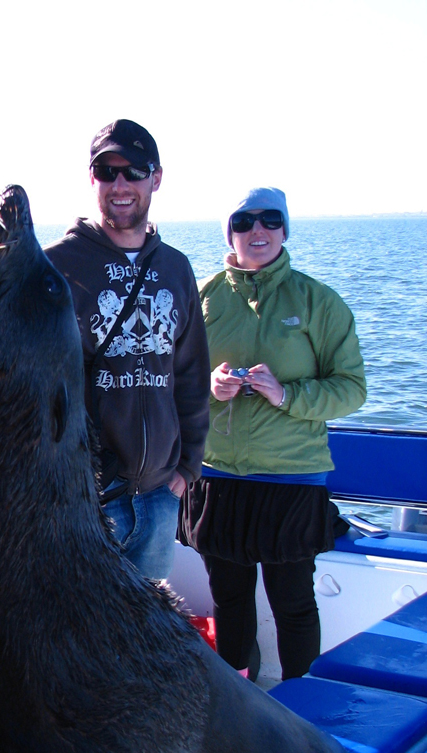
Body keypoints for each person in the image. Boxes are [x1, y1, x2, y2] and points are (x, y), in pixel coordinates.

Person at [178, 187, 367, 682]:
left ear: (285, 230)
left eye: (269, 220)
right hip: (218, 476)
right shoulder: (202, 297)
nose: (256, 231)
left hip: (291, 479)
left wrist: (286, 396)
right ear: (229, 232)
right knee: (229, 600)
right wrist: (209, 389)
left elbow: (351, 389)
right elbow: (172, 381)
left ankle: (302, 705)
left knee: (293, 602)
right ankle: (240, 698)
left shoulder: (318, 302)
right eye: (243, 221)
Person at [45, 119, 210, 581]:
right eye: (106, 170)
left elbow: (193, 374)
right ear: (91, 179)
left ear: (156, 178)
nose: (121, 184)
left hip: (160, 497)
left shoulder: (176, 268)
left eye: (135, 170)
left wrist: (187, 468)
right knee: (80, 641)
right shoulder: (55, 266)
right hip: (85, 502)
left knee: (142, 644)